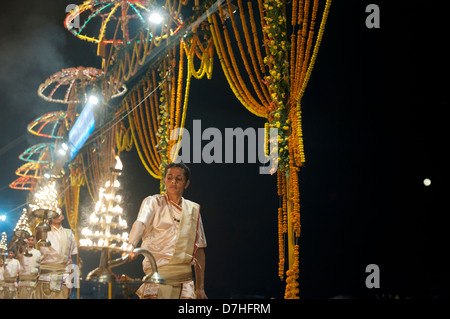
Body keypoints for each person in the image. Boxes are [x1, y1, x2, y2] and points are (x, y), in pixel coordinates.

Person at [127, 162, 207, 299]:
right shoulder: (153, 202)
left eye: (178, 178)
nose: (173, 182)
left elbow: (199, 249)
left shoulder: (193, 210)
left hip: (185, 283)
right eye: (169, 177)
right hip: (157, 279)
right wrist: (131, 245)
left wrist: (200, 288)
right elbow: (140, 223)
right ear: (164, 180)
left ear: (186, 183)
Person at [36, 213, 77, 299]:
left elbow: (70, 259)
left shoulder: (69, 233)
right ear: (50, 216)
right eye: (55, 214)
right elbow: (38, 238)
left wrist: (70, 280)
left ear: (63, 216)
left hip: (63, 279)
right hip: (45, 278)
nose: (57, 216)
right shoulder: (44, 231)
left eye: (60, 214)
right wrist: (44, 223)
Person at [17, 235, 41, 299]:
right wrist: (23, 242)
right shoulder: (21, 252)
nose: (30, 242)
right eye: (29, 240)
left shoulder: (38, 253)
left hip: (33, 284)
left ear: (35, 241)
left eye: (32, 240)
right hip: (22, 283)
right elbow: (19, 247)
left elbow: (40, 268)